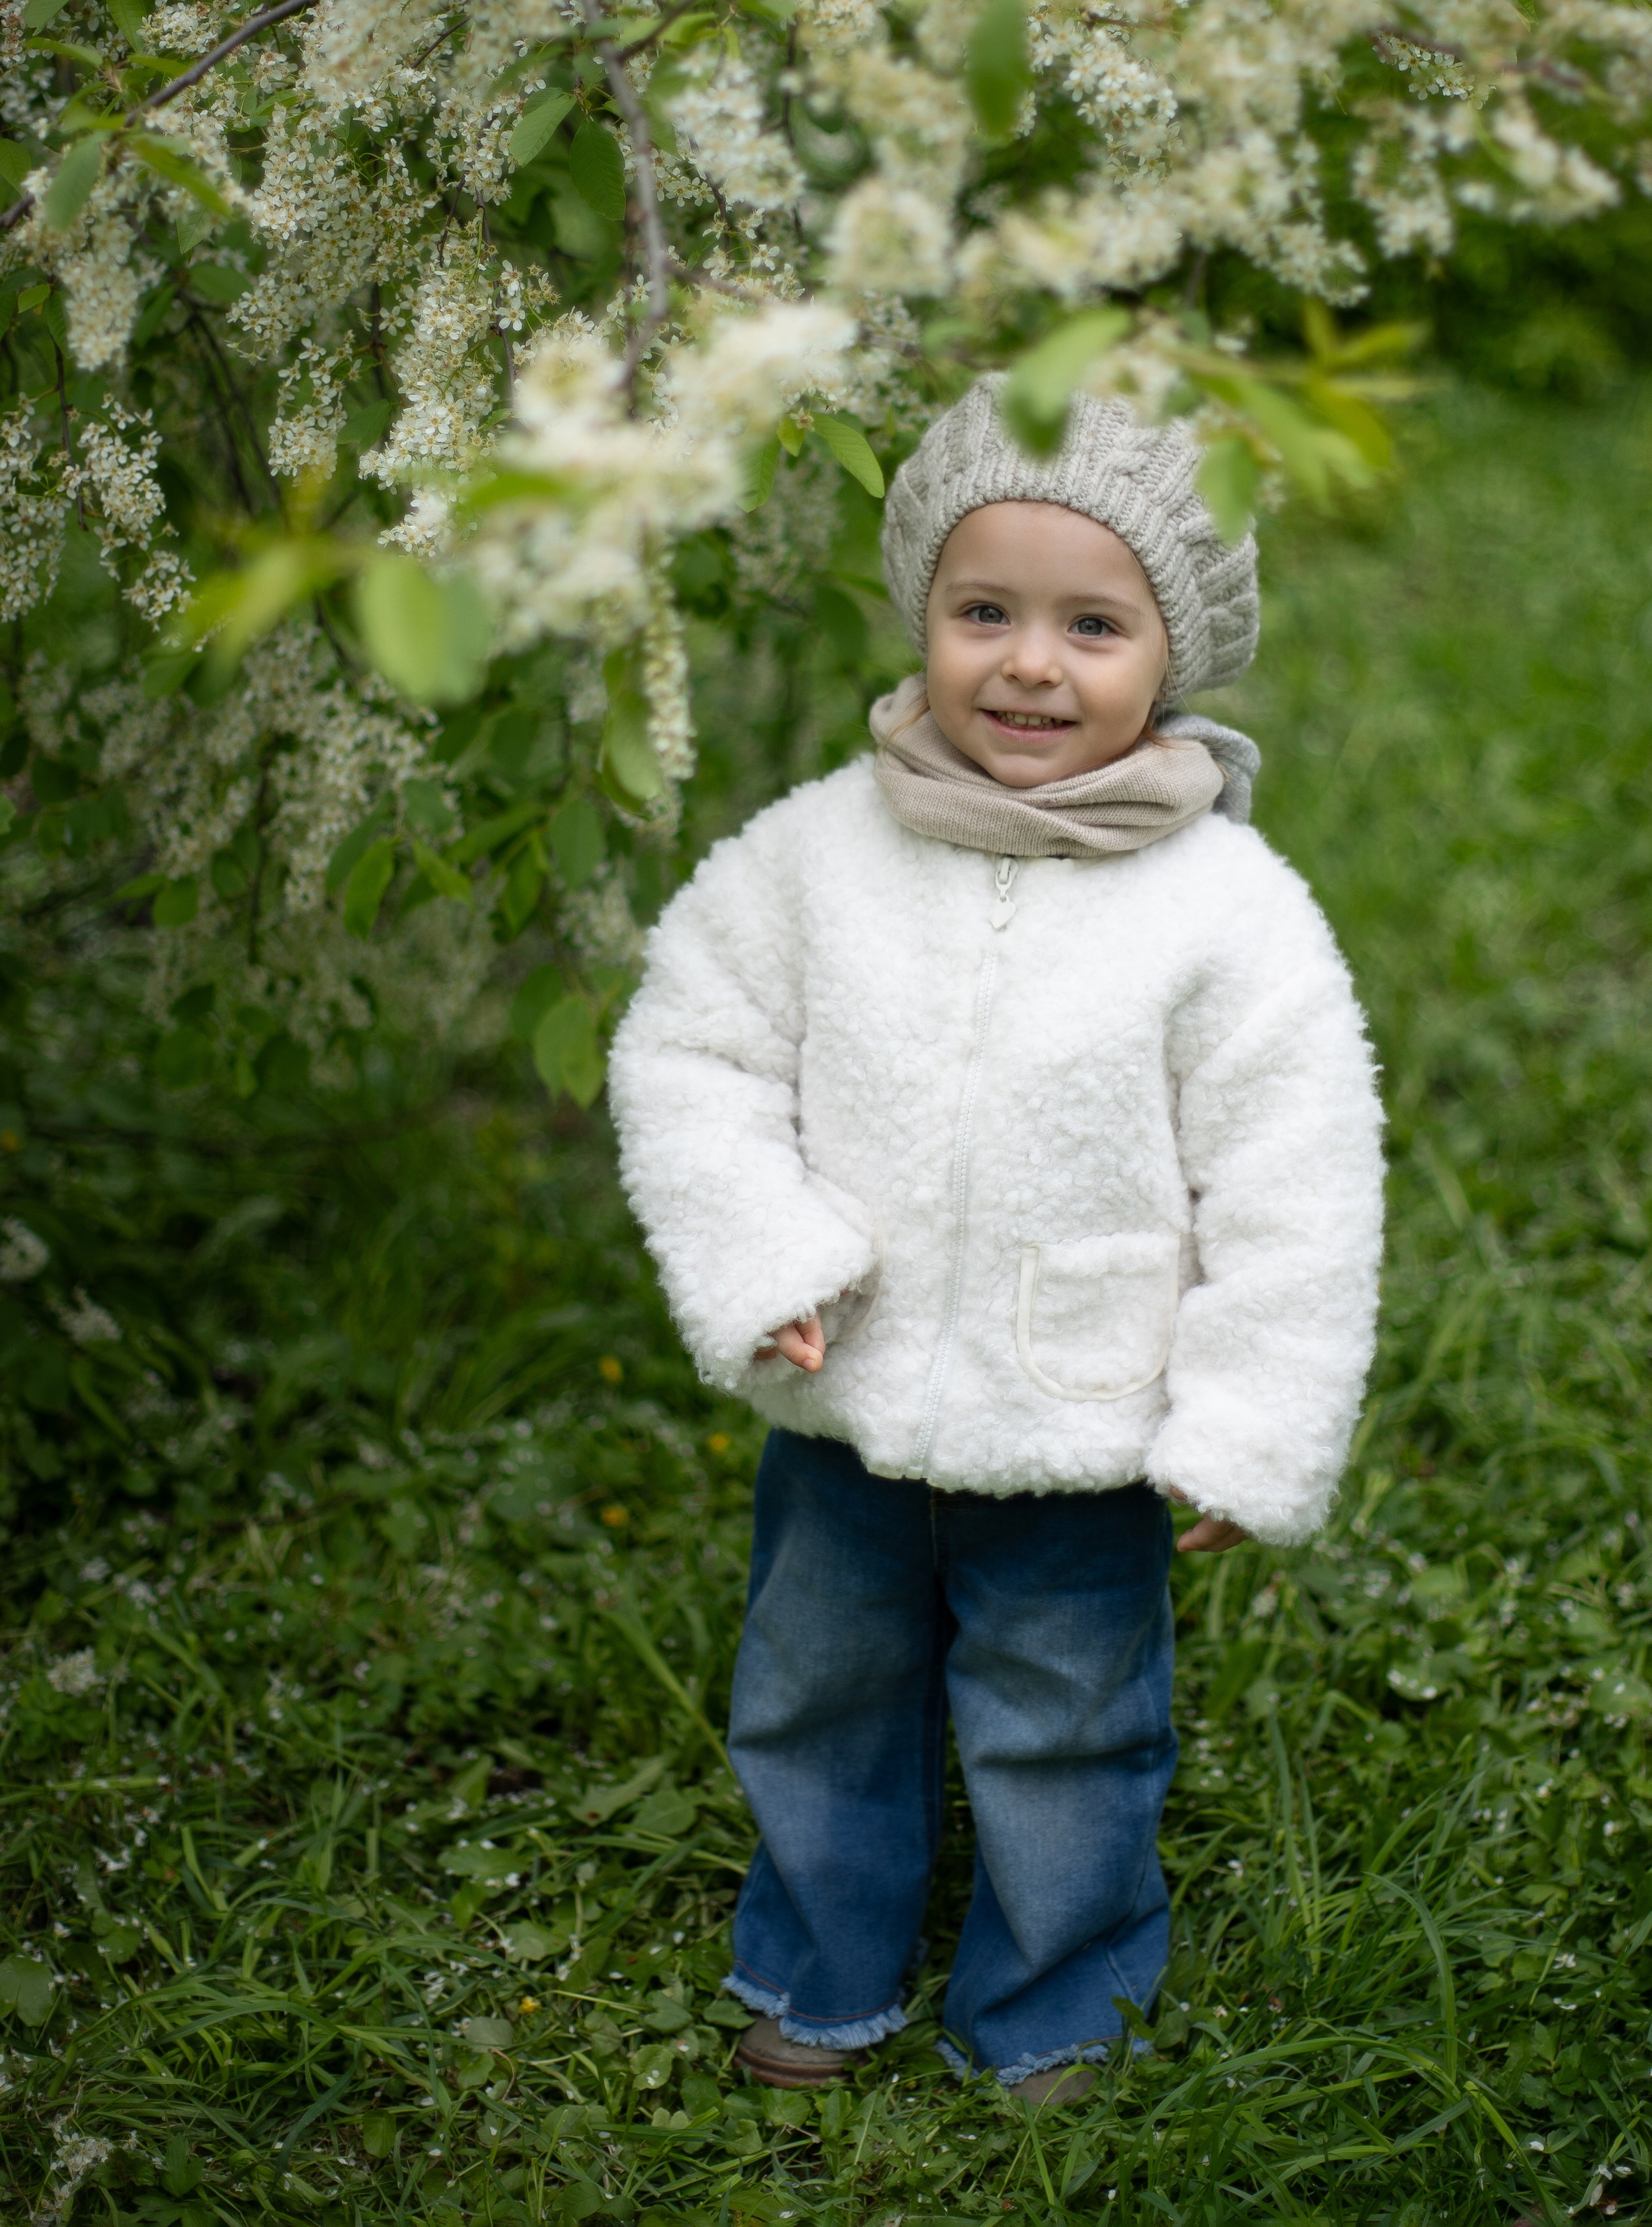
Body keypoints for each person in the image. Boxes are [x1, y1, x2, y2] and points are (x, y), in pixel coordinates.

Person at [609, 376, 1384, 2106]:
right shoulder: (817, 854)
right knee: (814, 1694)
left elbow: (1296, 1178)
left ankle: (1051, 2001)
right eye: (985, 612)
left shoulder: (1227, 916)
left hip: (1080, 1414)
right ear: (923, 615)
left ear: (1169, 652)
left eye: (1090, 624)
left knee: (1068, 1724)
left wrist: (1248, 1423)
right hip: (849, 1390)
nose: (1030, 665)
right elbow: (689, 1041)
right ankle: (819, 1969)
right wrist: (764, 1251)